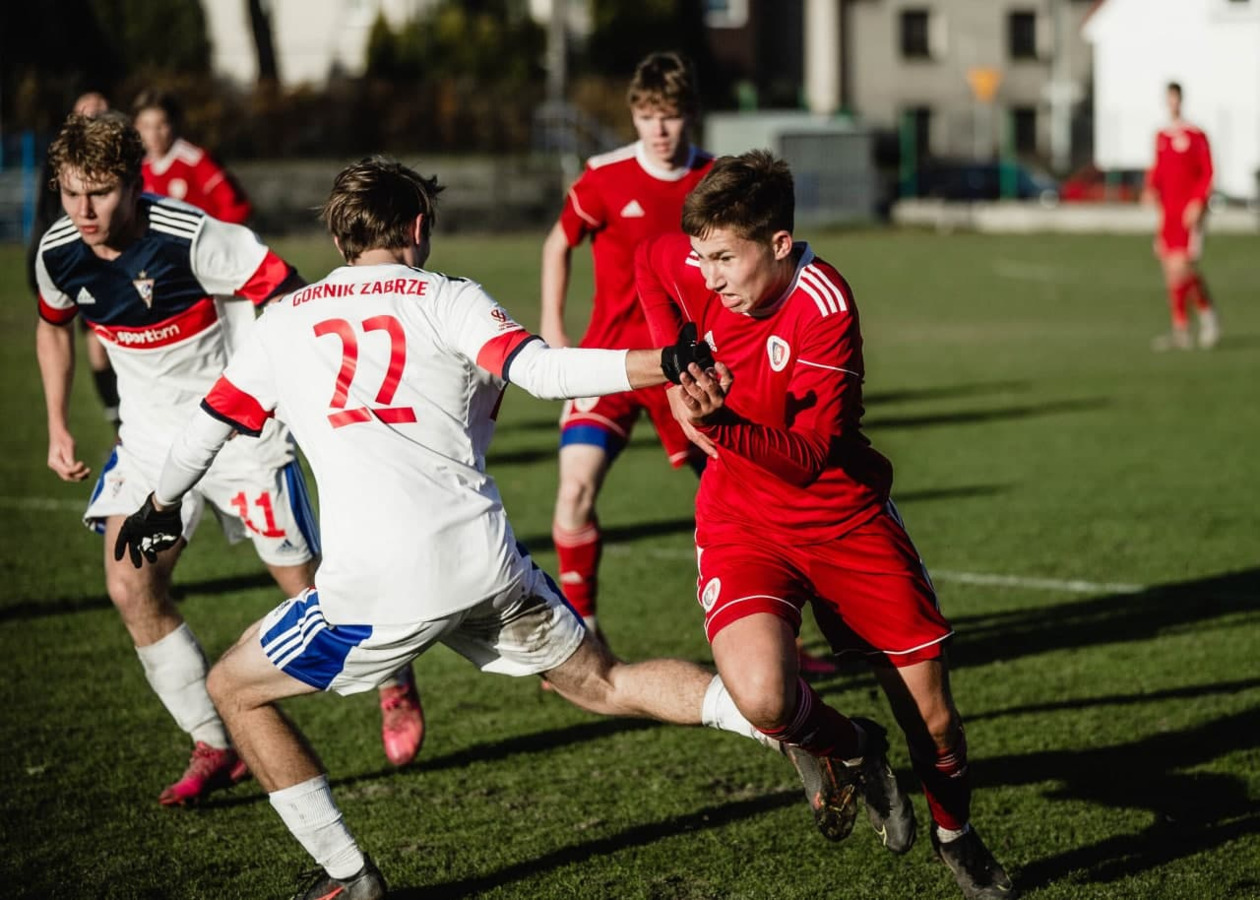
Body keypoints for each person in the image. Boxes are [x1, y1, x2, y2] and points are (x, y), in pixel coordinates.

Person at [114, 157, 900, 899]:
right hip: (484, 565)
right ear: (417, 226)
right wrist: (662, 361)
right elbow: (544, 371)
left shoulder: (284, 321)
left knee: (232, 689)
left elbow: (209, 424)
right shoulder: (449, 297)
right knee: (605, 683)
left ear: (340, 235)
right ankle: (803, 732)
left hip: (375, 588)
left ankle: (350, 876)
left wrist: (158, 505)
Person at [635, 150, 1018, 900]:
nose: (707, 277)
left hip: (843, 519)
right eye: (701, 258)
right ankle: (853, 749)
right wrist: (676, 367)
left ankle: (956, 835)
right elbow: (650, 263)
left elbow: (810, 456)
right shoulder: (700, 265)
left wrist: (720, 424)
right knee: (764, 699)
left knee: (935, 718)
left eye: (724, 259)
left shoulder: (825, 306)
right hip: (743, 518)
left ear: (779, 244)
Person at [31, 115, 417, 809]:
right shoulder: (59, 252)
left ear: (136, 183)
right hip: (150, 446)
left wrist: (287, 390)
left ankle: (393, 676)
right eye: (70, 193)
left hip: (241, 436)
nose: (84, 211)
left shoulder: (191, 237)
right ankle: (214, 741)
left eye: (101, 193)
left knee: (310, 594)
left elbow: (289, 292)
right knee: (130, 589)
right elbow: (53, 326)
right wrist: (58, 422)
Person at [539, 51, 837, 674]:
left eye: (671, 115)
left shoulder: (717, 183)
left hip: (692, 367)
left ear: (690, 115)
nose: (660, 129)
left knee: (751, 494)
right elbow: (558, 242)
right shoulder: (603, 177)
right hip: (610, 362)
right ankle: (579, 639)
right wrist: (554, 327)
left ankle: (781, 639)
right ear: (634, 116)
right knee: (574, 490)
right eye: (648, 115)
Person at [25, 91, 120, 429]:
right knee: (98, 346)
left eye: (100, 112)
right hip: (80, 263)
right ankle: (119, 425)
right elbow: (44, 212)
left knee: (115, 342)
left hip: (117, 262)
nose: (85, 206)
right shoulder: (59, 161)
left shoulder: (124, 160)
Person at [1142, 81, 1219, 351]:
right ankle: (1181, 329)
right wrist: (1150, 189)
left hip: (1189, 214)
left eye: (1175, 98)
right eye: (1169, 99)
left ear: (1181, 100)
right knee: (1170, 270)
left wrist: (1198, 202)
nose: (1172, 103)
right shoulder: (1162, 136)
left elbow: (1208, 172)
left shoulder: (1195, 135)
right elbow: (1158, 171)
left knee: (1182, 268)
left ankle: (1208, 316)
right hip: (1168, 212)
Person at [132, 89, 252, 225]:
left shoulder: (196, 161)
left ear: (174, 124)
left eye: (161, 125)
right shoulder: (141, 169)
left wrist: (216, 234)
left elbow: (237, 206)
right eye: (146, 126)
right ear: (136, 127)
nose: (153, 134)